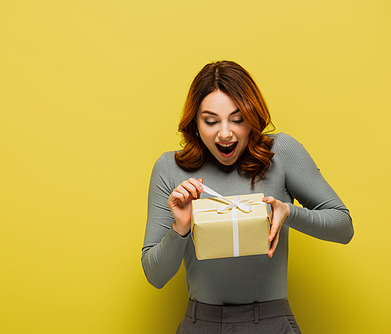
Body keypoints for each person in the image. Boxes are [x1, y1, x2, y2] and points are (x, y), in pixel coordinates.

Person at [141, 60, 354, 334]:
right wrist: (180, 228)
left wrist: (288, 212)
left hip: (270, 321)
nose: (225, 133)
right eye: (210, 121)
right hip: (200, 323)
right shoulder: (170, 168)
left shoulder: (282, 153)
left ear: (253, 118)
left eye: (238, 119)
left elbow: (343, 227)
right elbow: (155, 275)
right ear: (194, 122)